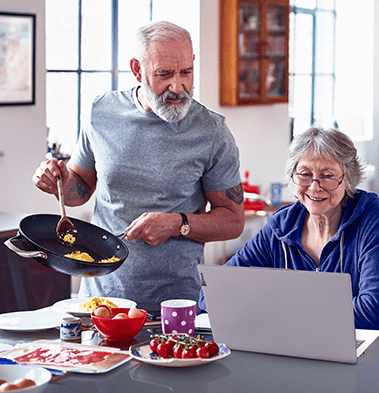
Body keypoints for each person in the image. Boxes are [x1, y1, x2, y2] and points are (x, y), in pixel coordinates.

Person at [33, 21, 245, 304]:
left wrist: (177, 224)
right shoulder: (101, 112)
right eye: (164, 74)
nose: (178, 86)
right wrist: (58, 182)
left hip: (176, 303)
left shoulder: (212, 131)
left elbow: (232, 221)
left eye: (186, 72)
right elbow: (80, 189)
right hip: (101, 298)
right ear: (137, 70)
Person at [199, 126, 379, 334]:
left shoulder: (371, 216)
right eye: (304, 174)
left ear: (348, 179)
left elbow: (375, 312)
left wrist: (280, 312)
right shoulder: (280, 227)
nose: (314, 186)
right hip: (309, 349)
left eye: (328, 176)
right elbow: (212, 294)